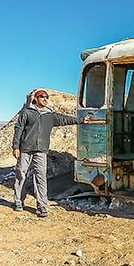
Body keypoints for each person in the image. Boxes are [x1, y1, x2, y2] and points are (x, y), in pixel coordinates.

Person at [12, 89, 91, 217]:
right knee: (21, 174)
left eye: (46, 97)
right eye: (42, 97)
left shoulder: (50, 115)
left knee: (41, 177)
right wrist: (16, 147)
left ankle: (42, 206)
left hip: (41, 150)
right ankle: (18, 202)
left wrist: (81, 121)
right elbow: (18, 129)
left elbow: (65, 119)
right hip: (25, 148)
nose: (45, 99)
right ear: (36, 99)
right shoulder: (27, 112)